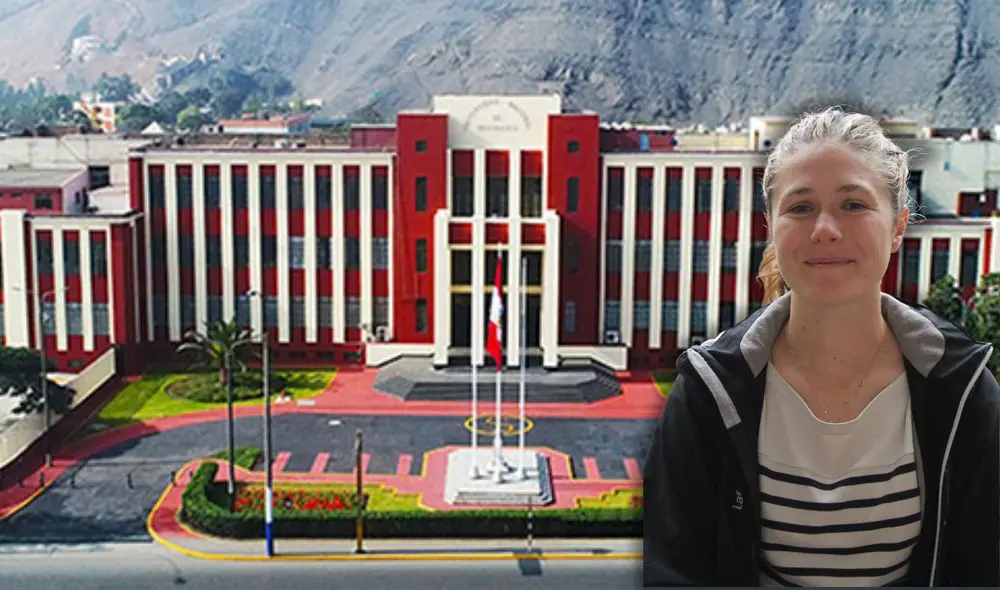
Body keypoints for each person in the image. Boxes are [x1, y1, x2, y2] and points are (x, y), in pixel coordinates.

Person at [642, 107, 999, 587]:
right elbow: (676, 572)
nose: (825, 229)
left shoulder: (962, 389)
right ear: (771, 225)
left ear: (898, 228)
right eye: (801, 207)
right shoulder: (709, 393)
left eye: (853, 205)